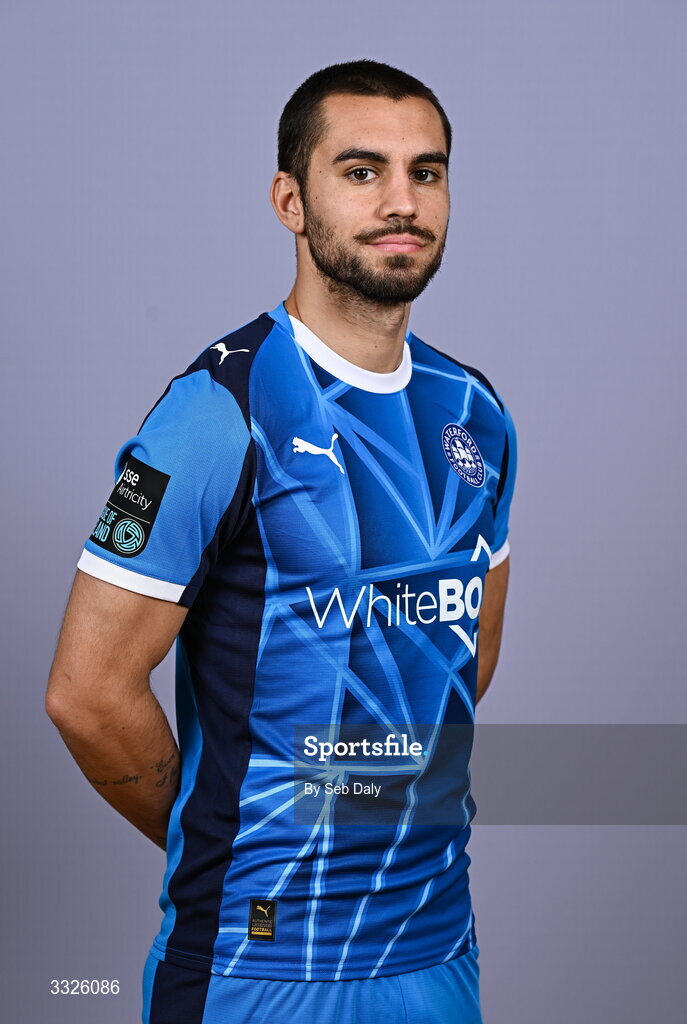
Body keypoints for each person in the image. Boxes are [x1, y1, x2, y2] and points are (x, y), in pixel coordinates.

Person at [46, 58, 517, 1024]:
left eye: (424, 172)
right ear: (289, 200)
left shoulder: (475, 413)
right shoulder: (216, 411)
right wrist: (223, 831)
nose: (400, 201)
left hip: (435, 950)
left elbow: (459, 661)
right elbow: (86, 696)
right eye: (360, 171)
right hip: (261, 966)